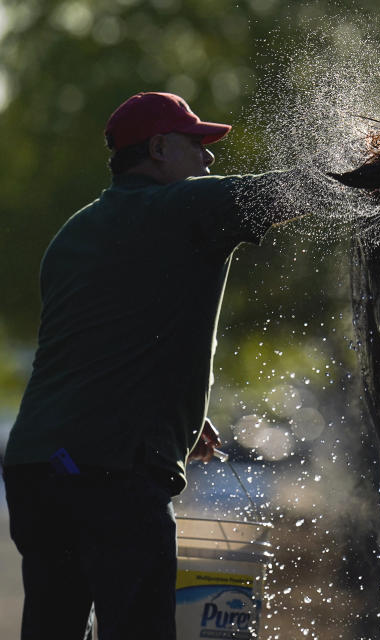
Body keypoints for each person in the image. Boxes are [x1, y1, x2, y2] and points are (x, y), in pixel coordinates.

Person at [1, 91, 319, 639]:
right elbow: (294, 190)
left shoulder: (73, 233)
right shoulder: (185, 207)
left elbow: (94, 346)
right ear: (158, 147)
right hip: (111, 472)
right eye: (197, 144)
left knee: (51, 625)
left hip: (37, 467)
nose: (208, 159)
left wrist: (179, 413)